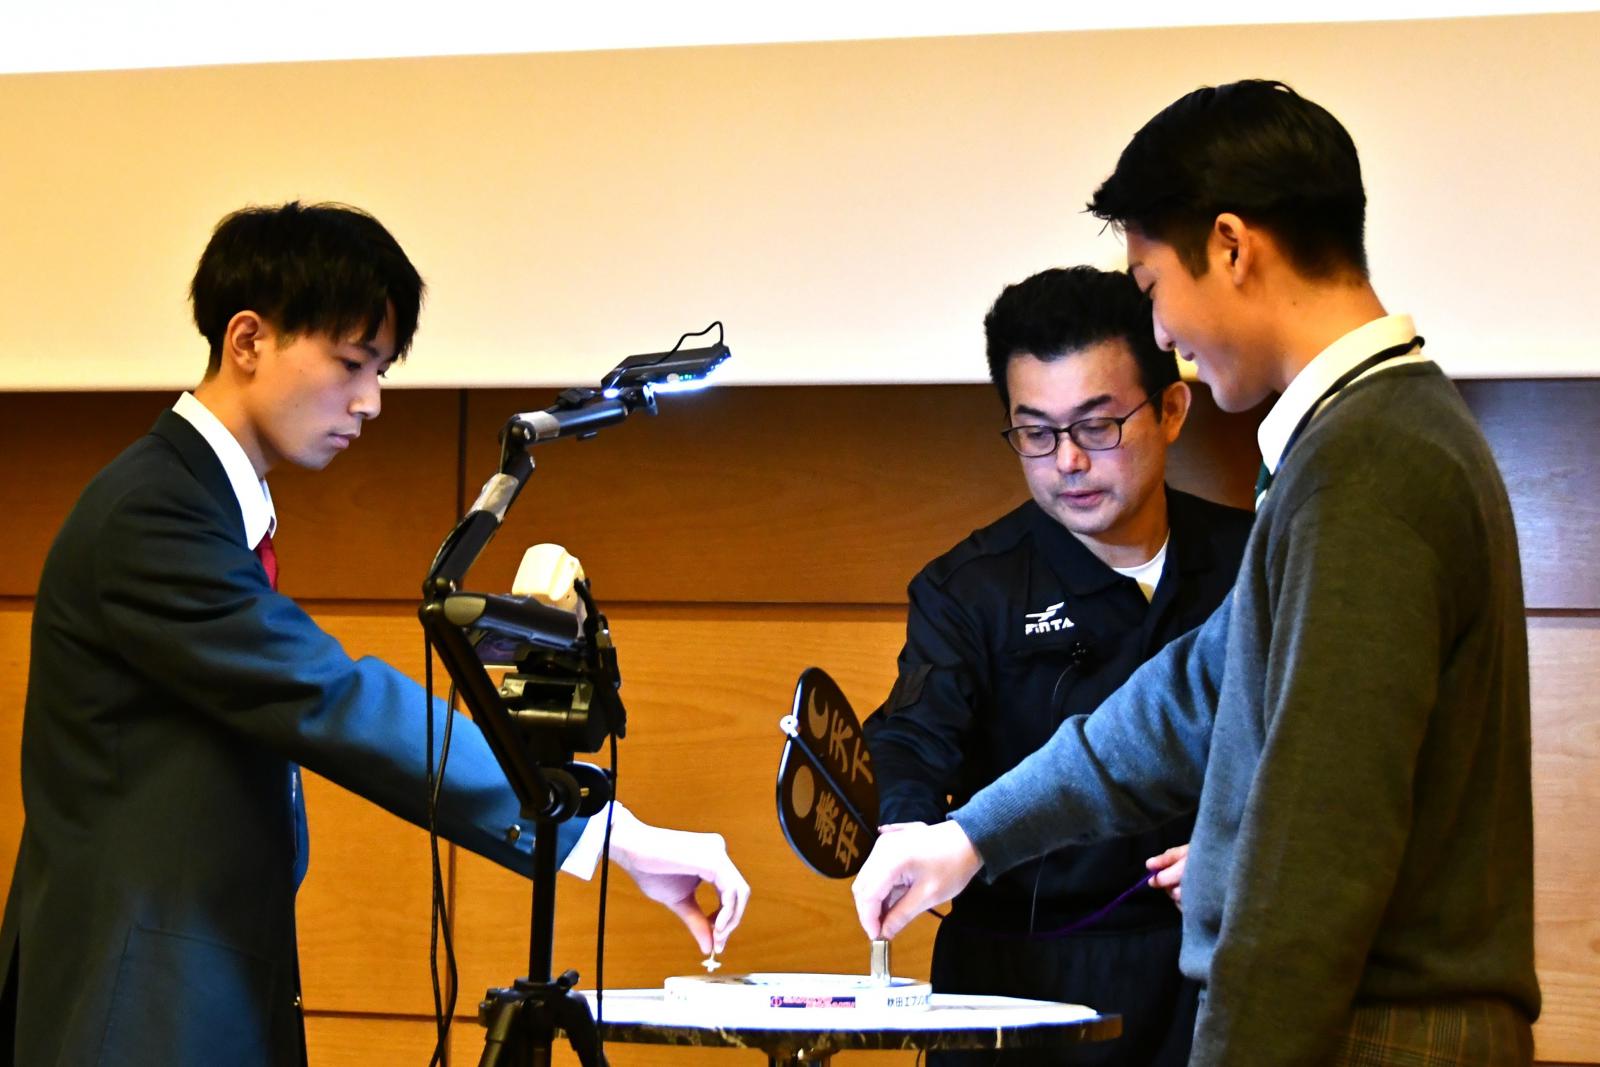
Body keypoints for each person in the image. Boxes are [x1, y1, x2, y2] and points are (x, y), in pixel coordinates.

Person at [853, 80, 1538, 1066]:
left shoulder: (1368, 465)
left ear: (1230, 246)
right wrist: (969, 838)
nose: (1163, 331)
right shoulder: (1355, 443)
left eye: (1150, 287)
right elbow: (1187, 696)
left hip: (1377, 1031)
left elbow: (1312, 855)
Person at [0, 201, 750, 1066]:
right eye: (352, 363)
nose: (371, 400)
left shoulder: (201, 502)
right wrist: (602, 828)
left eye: (382, 369)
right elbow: (330, 694)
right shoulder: (151, 514)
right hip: (138, 1010)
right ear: (247, 340)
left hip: (191, 986)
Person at [862, 266, 1251, 1065]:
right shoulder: (968, 588)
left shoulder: (1256, 564)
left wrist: (1247, 841)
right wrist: (905, 824)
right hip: (1015, 976)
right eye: (1035, 433)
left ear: (1172, 409)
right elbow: (911, 737)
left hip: (1209, 966)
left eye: (1097, 426)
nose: (1067, 460)